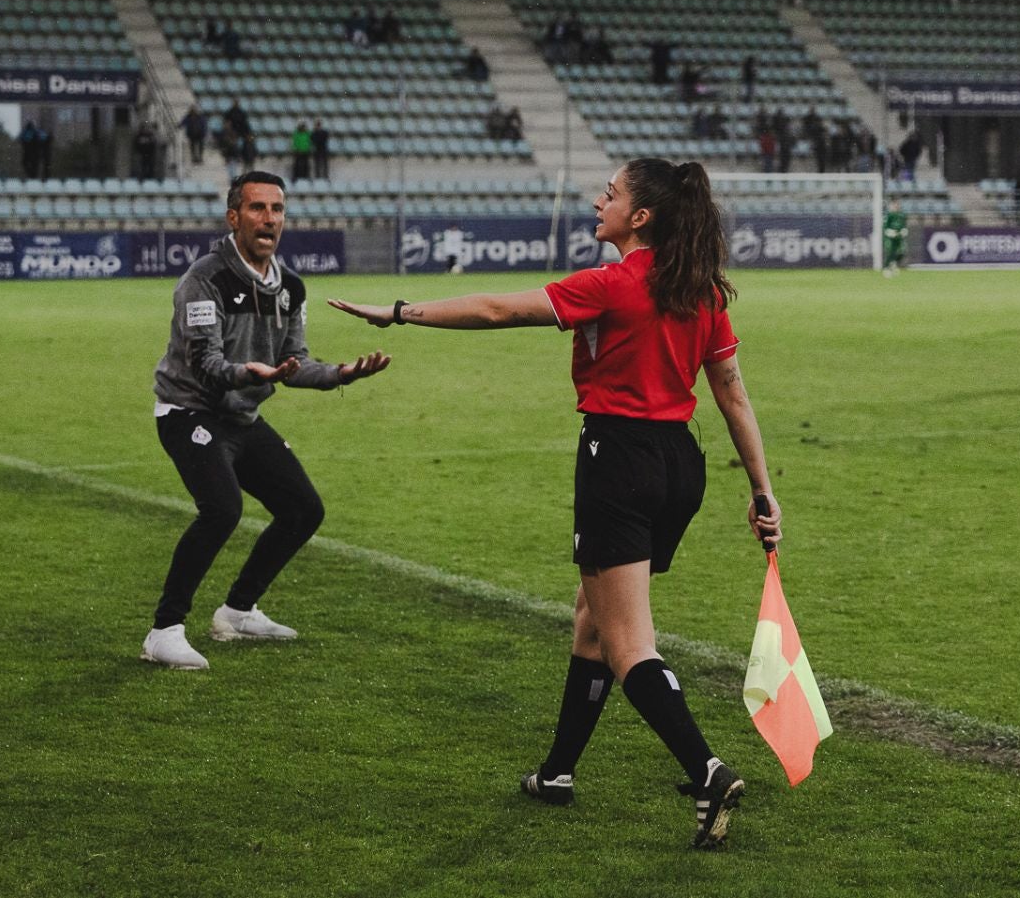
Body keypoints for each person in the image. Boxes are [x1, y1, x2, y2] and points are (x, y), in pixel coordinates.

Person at [326, 159, 780, 850]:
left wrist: (398, 312)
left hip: (618, 461)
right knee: (591, 613)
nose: (599, 200)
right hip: (679, 467)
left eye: (612, 193)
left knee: (629, 643)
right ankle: (558, 772)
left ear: (641, 217)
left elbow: (498, 309)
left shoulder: (613, 283)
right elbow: (733, 394)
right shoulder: (701, 290)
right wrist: (761, 488)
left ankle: (708, 769)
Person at [142, 172, 391, 671]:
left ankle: (236, 612)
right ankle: (163, 631)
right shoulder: (205, 280)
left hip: (240, 416)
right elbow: (203, 361)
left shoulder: (290, 287)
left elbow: (295, 362)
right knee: (222, 509)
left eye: (277, 209)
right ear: (234, 217)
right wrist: (247, 371)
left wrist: (341, 373)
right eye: (257, 208)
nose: (269, 219)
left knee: (302, 509)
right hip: (190, 410)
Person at [882, 198, 908, 276]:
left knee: (902, 252)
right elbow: (885, 227)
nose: (896, 206)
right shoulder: (889, 215)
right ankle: (886, 268)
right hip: (890, 238)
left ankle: (894, 264)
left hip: (899, 237)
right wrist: (890, 232)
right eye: (894, 205)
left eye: (897, 205)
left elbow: (904, 225)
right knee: (890, 252)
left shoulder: (902, 215)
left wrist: (904, 230)